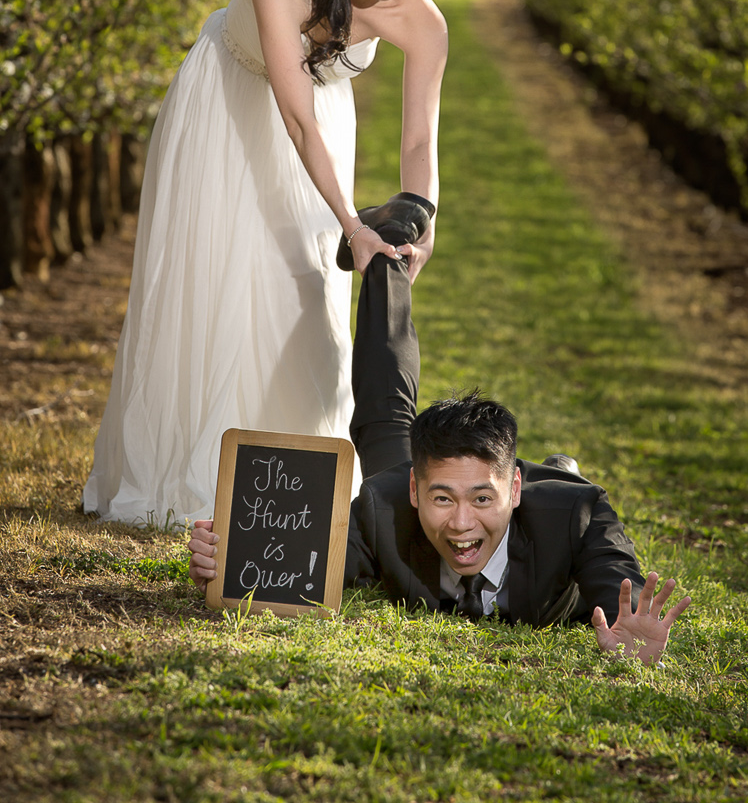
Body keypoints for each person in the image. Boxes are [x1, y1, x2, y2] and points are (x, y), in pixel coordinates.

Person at [85, 0, 469, 526]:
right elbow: (293, 117)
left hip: (322, 124)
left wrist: (423, 217)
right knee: (217, 278)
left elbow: (417, 143)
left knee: (305, 284)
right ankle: (192, 479)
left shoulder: (424, 24)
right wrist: (351, 221)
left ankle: (289, 481)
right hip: (228, 109)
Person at [186, 249, 691, 665]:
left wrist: (632, 641)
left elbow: (617, 591)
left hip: (545, 499)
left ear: (513, 491)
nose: (462, 524)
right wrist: (233, 559)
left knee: (558, 482)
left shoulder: (577, 517)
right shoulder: (385, 506)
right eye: (442, 499)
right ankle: (385, 254)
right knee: (383, 417)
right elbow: (309, 562)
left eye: (481, 500)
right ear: (414, 489)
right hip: (427, 478)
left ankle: (555, 470)